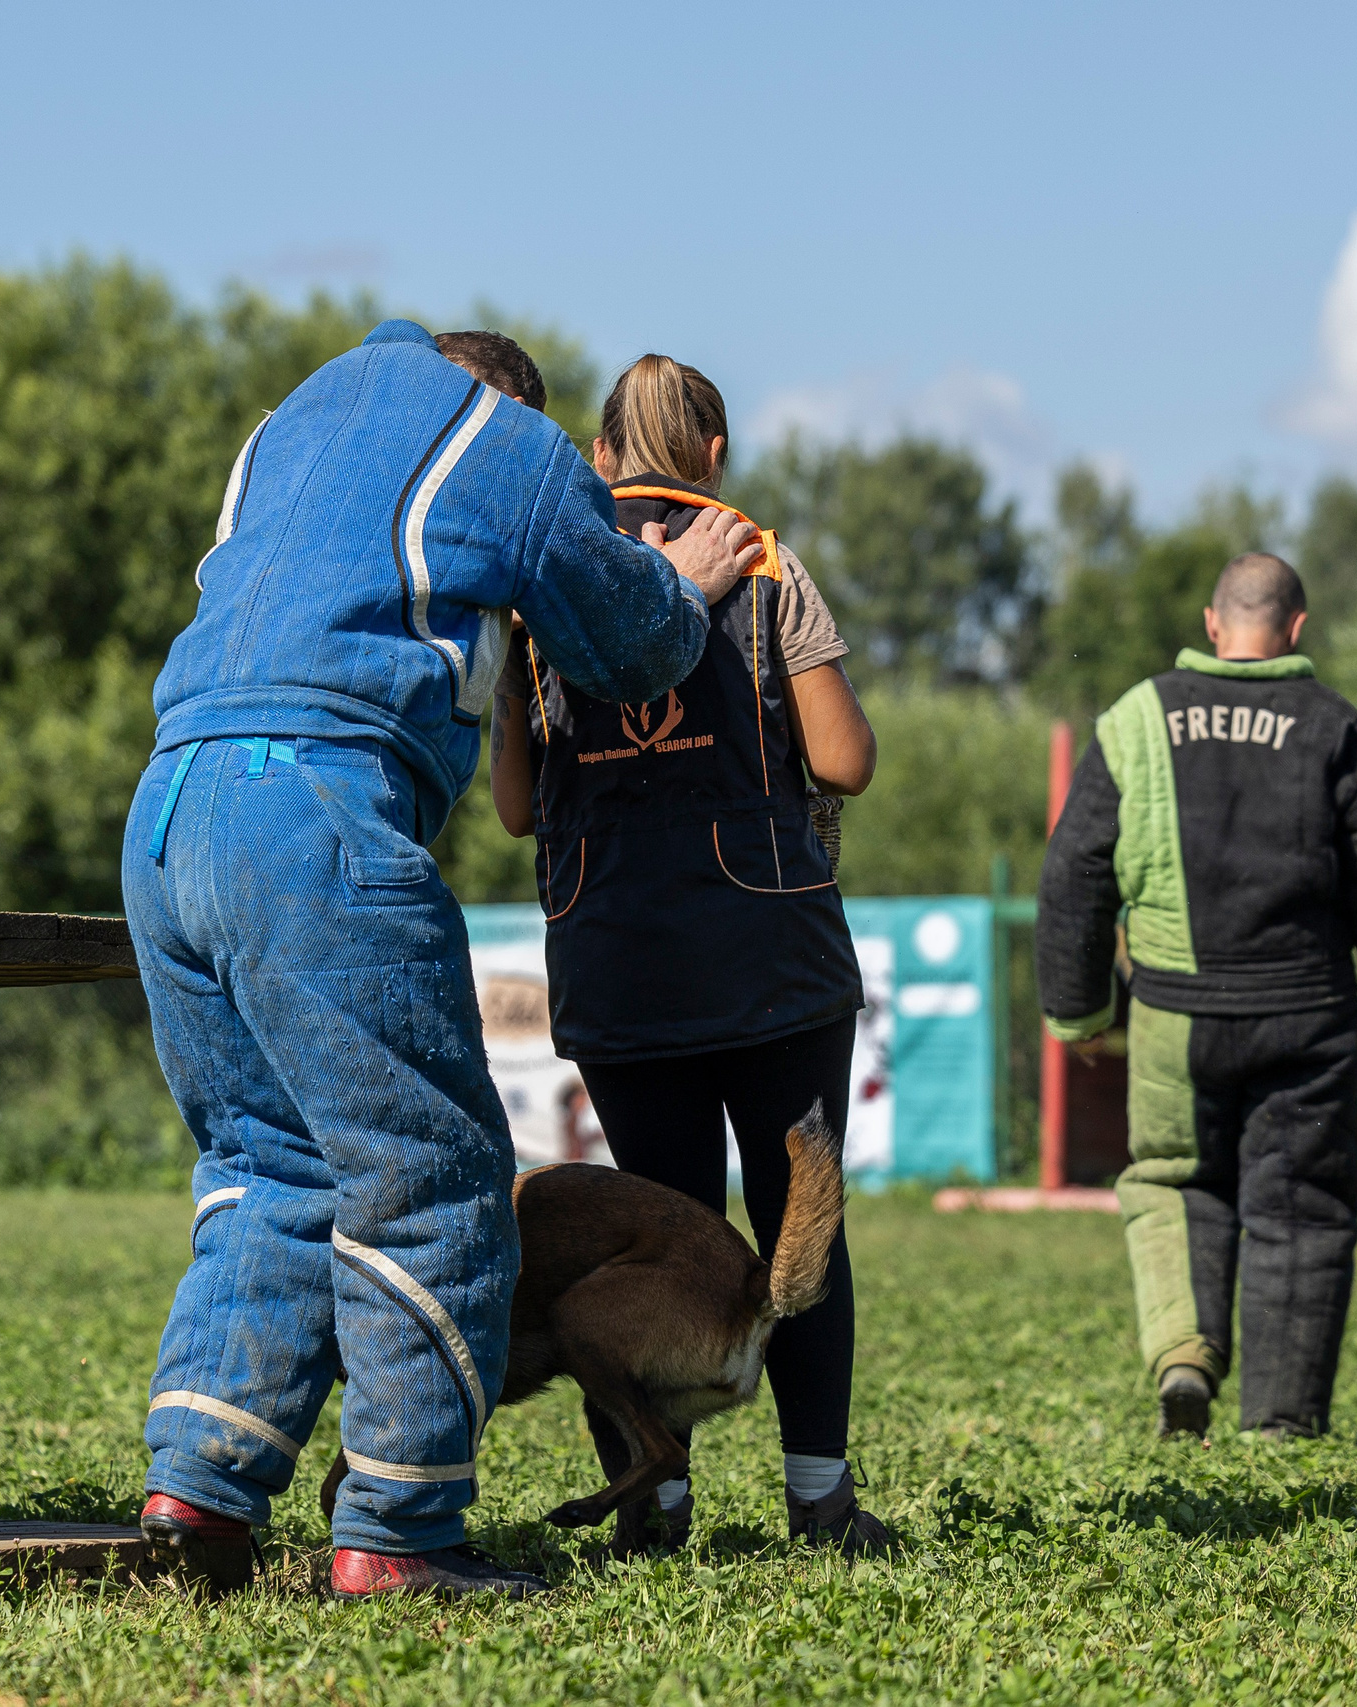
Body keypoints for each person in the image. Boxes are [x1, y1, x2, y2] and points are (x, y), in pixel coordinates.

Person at [125, 321, 762, 1600]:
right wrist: (680, 579)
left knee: (266, 1166)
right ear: (511, 400)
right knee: (433, 1178)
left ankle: (196, 1489)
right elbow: (631, 646)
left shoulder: (288, 428)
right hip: (316, 809)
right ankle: (399, 1537)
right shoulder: (504, 445)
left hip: (167, 816)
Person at [489, 354, 890, 1553]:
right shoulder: (761, 564)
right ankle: (819, 1499)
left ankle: (655, 1507)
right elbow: (843, 762)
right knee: (794, 1227)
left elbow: (517, 805)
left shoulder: (544, 579)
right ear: (712, 456)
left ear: (602, 457)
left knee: (647, 1231)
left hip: (619, 957)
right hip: (769, 950)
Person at [1035, 553, 1357, 1441]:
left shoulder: (1140, 717)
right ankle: (1283, 1419)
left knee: (1177, 1183)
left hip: (1176, 1015)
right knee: (1301, 1208)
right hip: (1307, 1018)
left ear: (1215, 625)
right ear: (1296, 629)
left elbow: (1076, 869)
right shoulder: (1333, 726)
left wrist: (1078, 1007)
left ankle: (1184, 1354)